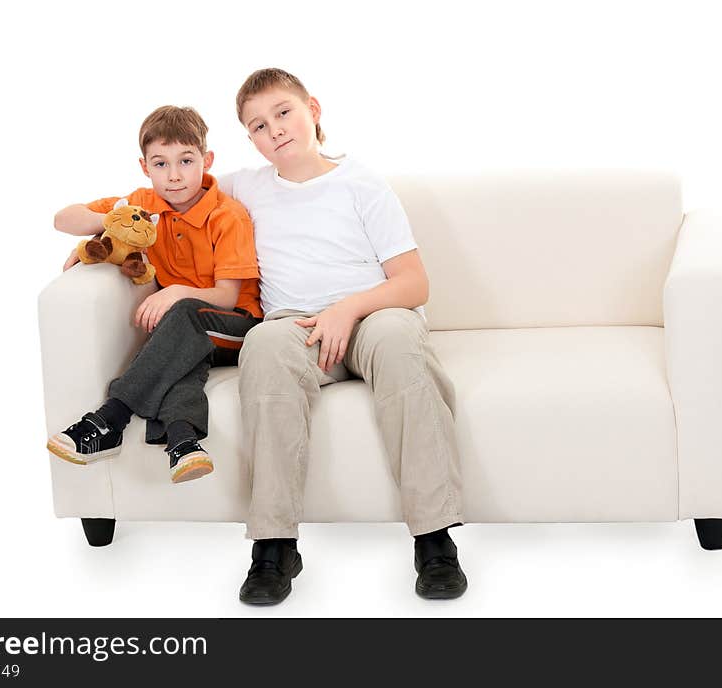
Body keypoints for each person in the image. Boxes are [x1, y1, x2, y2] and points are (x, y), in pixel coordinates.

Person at [220, 68, 466, 604]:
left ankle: (434, 539)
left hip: (374, 315)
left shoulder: (361, 183)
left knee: (402, 349)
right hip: (296, 325)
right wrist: (102, 237)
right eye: (258, 125)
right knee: (263, 345)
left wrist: (347, 310)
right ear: (250, 139)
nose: (275, 130)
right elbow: (170, 195)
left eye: (284, 112)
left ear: (313, 109)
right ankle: (274, 545)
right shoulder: (246, 186)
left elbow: (413, 282)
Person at [49, 105, 261, 483]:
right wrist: (111, 223)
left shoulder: (227, 216)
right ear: (145, 167)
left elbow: (228, 297)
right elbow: (63, 218)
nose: (174, 176)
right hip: (188, 332)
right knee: (180, 349)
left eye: (185, 161)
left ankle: (110, 419)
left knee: (180, 317)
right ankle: (183, 442)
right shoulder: (143, 205)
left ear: (206, 160)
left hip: (239, 328)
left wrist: (177, 291)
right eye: (160, 164)